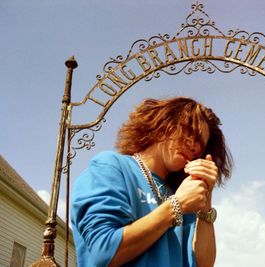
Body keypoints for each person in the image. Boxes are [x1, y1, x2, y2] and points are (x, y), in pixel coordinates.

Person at [70, 97, 233, 267]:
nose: (194, 146)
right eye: (189, 132)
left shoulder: (182, 195)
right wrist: (175, 206)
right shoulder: (112, 167)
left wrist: (205, 201)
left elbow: (203, 264)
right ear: (163, 124)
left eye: (201, 143)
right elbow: (104, 251)